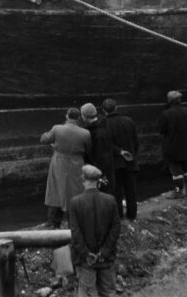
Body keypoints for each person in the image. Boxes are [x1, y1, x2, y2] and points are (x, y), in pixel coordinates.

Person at [69, 164, 120, 297]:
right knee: (108, 292)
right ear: (98, 182)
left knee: (88, 293)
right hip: (106, 258)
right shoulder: (110, 200)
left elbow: (75, 233)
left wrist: (87, 253)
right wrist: (104, 252)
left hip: (85, 260)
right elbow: (115, 229)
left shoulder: (75, 203)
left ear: (83, 180)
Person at [40, 107, 91, 228]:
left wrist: (53, 142)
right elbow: (88, 149)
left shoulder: (57, 128)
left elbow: (44, 140)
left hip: (59, 162)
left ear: (67, 116)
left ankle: (53, 222)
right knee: (75, 191)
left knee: (55, 190)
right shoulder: (85, 133)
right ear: (79, 118)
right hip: (77, 163)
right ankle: (73, 222)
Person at [157, 90, 187, 198]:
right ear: (180, 100)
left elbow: (161, 130)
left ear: (169, 101)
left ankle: (178, 191)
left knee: (176, 171)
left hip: (172, 147)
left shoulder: (166, 114)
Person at [101, 98, 139, 221]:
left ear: (103, 110)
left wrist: (118, 152)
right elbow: (135, 141)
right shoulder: (129, 121)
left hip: (114, 163)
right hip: (130, 160)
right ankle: (132, 215)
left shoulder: (104, 124)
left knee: (116, 190)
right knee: (131, 189)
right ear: (116, 108)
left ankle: (119, 216)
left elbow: (106, 145)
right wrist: (133, 154)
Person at [80, 103, 116, 197]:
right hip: (106, 170)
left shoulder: (98, 134)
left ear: (84, 116)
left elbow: (101, 157)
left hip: (100, 172)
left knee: (102, 196)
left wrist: (99, 176)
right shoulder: (103, 124)